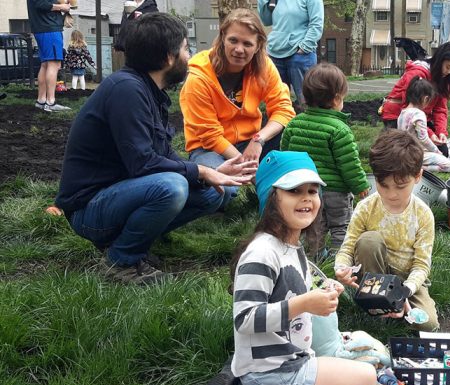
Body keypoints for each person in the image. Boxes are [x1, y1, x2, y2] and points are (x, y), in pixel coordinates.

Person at [55, 13, 257, 284]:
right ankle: (121, 260)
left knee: (218, 192)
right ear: (168, 58)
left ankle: (134, 240)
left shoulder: (149, 90)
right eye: (186, 48)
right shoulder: (126, 90)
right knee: (172, 187)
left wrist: (211, 173)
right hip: (90, 210)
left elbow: (161, 155)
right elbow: (143, 163)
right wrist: (200, 171)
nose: (191, 54)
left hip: (122, 195)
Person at [230, 150, 377, 385]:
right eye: (294, 190)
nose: (306, 198)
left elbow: (293, 294)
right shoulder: (262, 253)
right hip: (271, 372)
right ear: (271, 198)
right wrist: (305, 303)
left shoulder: (292, 246)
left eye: (312, 190)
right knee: (369, 377)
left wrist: (324, 289)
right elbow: (244, 319)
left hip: (293, 360)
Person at [180, 8, 295, 207]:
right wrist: (247, 166)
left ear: (258, 45)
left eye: (247, 43)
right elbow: (210, 135)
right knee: (225, 189)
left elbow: (284, 108)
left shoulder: (264, 67)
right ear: (222, 37)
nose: (239, 49)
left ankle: (284, 181)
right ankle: (196, 187)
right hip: (210, 149)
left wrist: (259, 140)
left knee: (292, 137)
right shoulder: (198, 78)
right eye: (233, 40)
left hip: (251, 141)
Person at [334, 130, 439, 331]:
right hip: (375, 278)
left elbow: (421, 265)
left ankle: (395, 306)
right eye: (383, 185)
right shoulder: (366, 207)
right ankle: (376, 304)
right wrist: (341, 268)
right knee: (368, 241)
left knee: (428, 324)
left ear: (417, 176)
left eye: (400, 186)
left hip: (406, 280)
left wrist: (404, 292)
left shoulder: (423, 214)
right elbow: (347, 248)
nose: (391, 194)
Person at [281, 63, 370, 255]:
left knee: (315, 227)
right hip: (336, 192)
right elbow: (349, 164)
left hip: (307, 190)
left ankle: (313, 262)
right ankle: (340, 261)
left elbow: (286, 157)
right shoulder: (339, 129)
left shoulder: (294, 124)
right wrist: (360, 185)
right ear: (337, 99)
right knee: (341, 227)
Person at [381, 42, 450, 157]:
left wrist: (441, 132)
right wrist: (429, 133)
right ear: (439, 60)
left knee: (443, 152)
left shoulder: (445, 79)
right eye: (448, 67)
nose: (449, 72)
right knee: (403, 156)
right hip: (399, 116)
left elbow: (440, 109)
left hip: (420, 118)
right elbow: (408, 108)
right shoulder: (418, 72)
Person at [258, 0, 323, 106]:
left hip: (300, 55)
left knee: (307, 101)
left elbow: (316, 24)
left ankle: (309, 122)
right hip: (275, 54)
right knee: (278, 102)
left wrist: (304, 48)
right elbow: (266, 20)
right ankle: (283, 123)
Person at [397, 76, 450, 172]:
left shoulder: (403, 112)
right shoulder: (419, 114)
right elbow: (424, 139)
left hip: (403, 153)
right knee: (448, 165)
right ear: (425, 99)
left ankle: (411, 166)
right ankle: (418, 168)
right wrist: (437, 151)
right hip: (414, 154)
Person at [27, 0, 72, 112]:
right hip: (49, 28)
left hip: (42, 29)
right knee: (54, 64)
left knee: (45, 65)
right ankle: (50, 102)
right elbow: (41, 4)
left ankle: (41, 100)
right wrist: (62, 7)